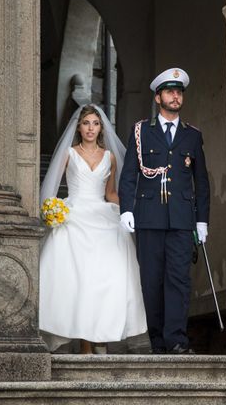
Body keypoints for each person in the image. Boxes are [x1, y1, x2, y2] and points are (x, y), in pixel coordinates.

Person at [38, 104, 147, 354]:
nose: (90, 128)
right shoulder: (68, 152)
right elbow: (52, 188)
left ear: (101, 128)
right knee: (79, 281)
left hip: (102, 216)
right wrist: (52, 210)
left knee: (107, 279)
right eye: (86, 123)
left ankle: (103, 336)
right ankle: (86, 343)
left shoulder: (109, 156)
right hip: (74, 216)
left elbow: (110, 193)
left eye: (95, 124)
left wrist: (135, 206)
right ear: (79, 126)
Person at [118, 68, 210, 354]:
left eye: (179, 92)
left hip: (182, 221)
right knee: (152, 281)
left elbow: (202, 182)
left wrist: (202, 220)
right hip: (149, 217)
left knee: (179, 281)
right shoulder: (142, 131)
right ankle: (158, 342)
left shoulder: (192, 136)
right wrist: (126, 209)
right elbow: (130, 174)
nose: (175, 96)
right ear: (158, 97)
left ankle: (177, 341)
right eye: (170, 92)